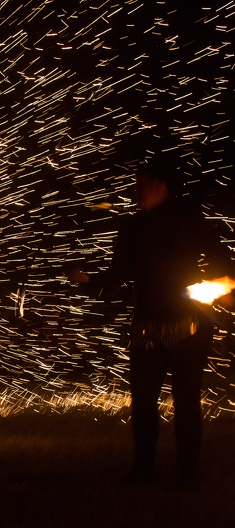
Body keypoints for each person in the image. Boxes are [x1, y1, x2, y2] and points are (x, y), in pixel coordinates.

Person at [69, 158, 233, 486]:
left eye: (141, 184)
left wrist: (221, 286)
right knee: (143, 404)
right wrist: (89, 279)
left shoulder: (189, 220)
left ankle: (186, 473)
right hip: (145, 329)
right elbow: (121, 272)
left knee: (186, 402)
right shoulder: (133, 227)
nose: (136, 191)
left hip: (187, 328)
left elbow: (221, 260)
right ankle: (143, 470)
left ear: (160, 184)